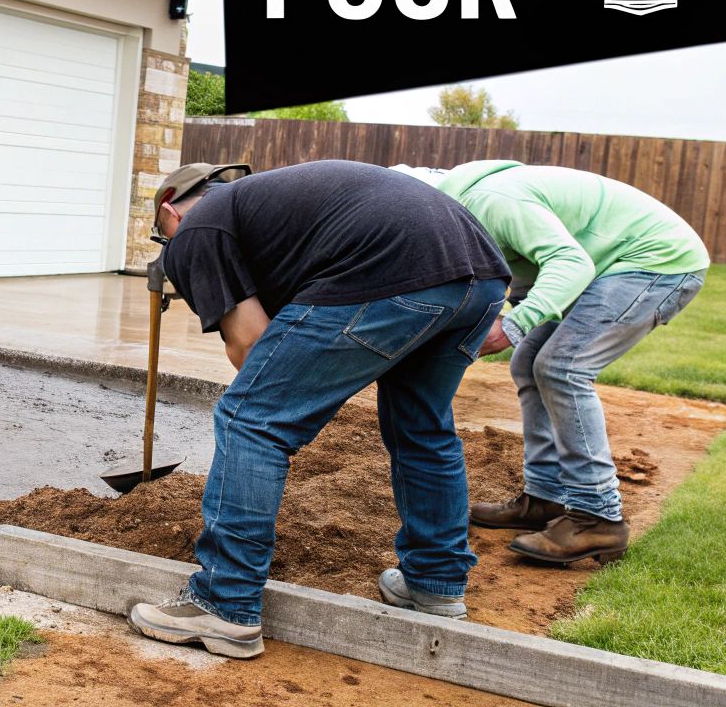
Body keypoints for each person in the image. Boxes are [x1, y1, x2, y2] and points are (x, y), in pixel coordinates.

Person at [127, 160, 511, 659]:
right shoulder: (274, 211)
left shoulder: (198, 228)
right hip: (478, 277)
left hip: (390, 266)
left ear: (169, 213)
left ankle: (225, 604)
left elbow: (251, 345)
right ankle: (434, 584)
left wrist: (281, 404)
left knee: (251, 420)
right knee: (422, 426)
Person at [434, 161, 708, 564]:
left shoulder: (493, 203)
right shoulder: (459, 217)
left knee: (564, 368)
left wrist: (511, 328)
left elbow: (569, 264)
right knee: (528, 363)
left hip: (656, 261)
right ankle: (546, 498)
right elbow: (528, 279)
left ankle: (596, 517)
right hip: (609, 266)